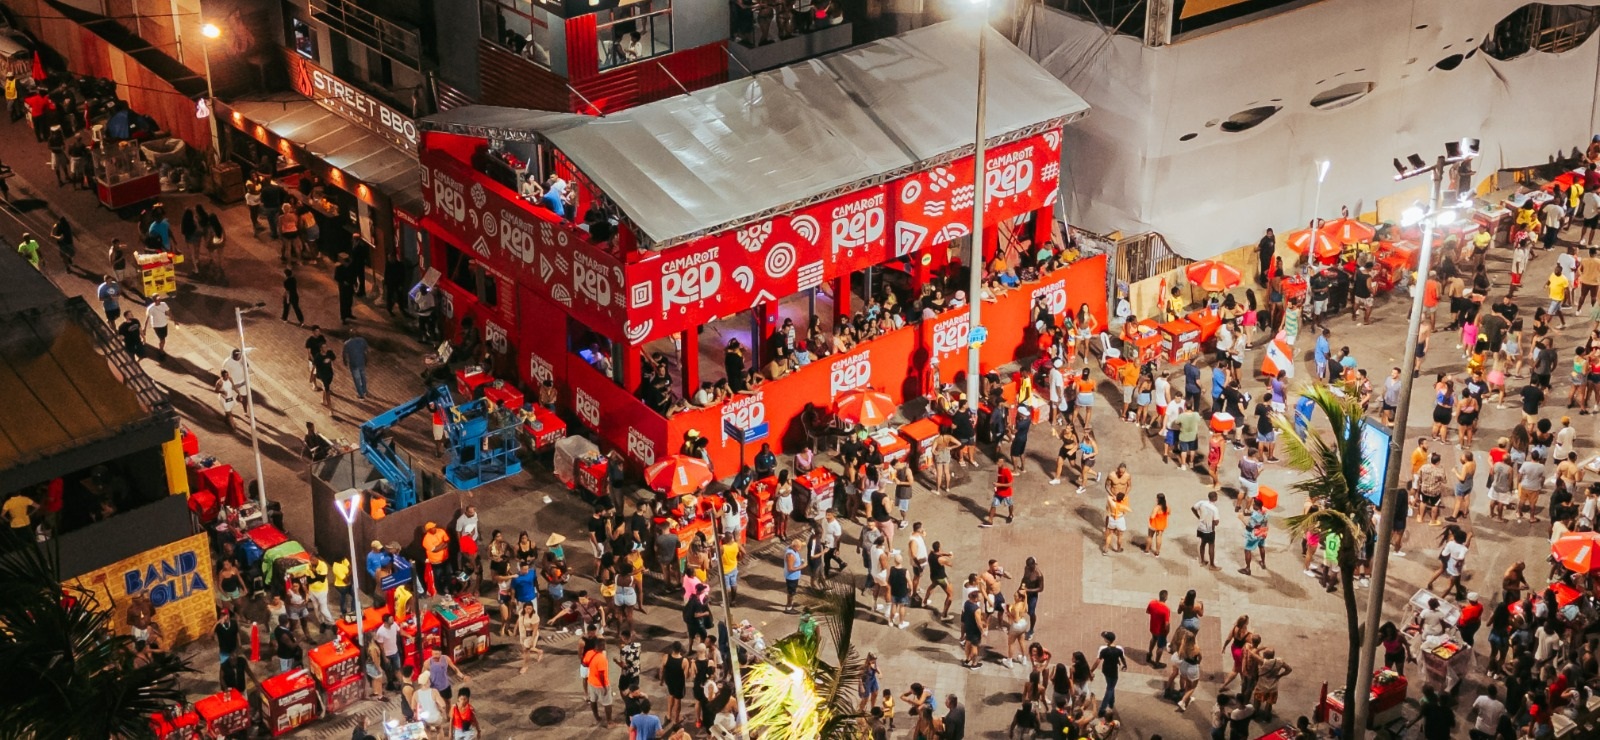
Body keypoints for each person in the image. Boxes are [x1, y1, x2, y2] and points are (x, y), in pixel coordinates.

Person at [1088, 631, 1126, 715]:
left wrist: (1091, 671)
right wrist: (1125, 665)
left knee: (1110, 686)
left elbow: (1097, 662)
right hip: (1113, 671)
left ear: (1107, 640)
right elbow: (1122, 658)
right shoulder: (1119, 650)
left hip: (1105, 670)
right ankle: (1103, 708)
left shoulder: (1104, 650)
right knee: (1110, 688)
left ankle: (1111, 702)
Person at [1193, 491, 1221, 569]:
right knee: (1211, 545)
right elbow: (1216, 522)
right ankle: (1212, 565)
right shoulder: (1215, 509)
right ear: (1215, 498)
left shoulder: (1202, 502)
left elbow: (1193, 508)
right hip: (1209, 530)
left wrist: (1198, 517)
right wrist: (1214, 524)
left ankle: (1202, 561)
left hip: (1200, 528)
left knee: (1202, 544)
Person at [1146, 589, 1170, 667]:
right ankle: (1156, 663)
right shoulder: (1166, 609)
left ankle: (1149, 654)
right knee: (1160, 647)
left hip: (1153, 628)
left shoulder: (1152, 603)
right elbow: (1166, 624)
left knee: (1153, 639)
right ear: (1166, 598)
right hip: (1161, 631)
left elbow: (1148, 611)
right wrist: (1167, 632)